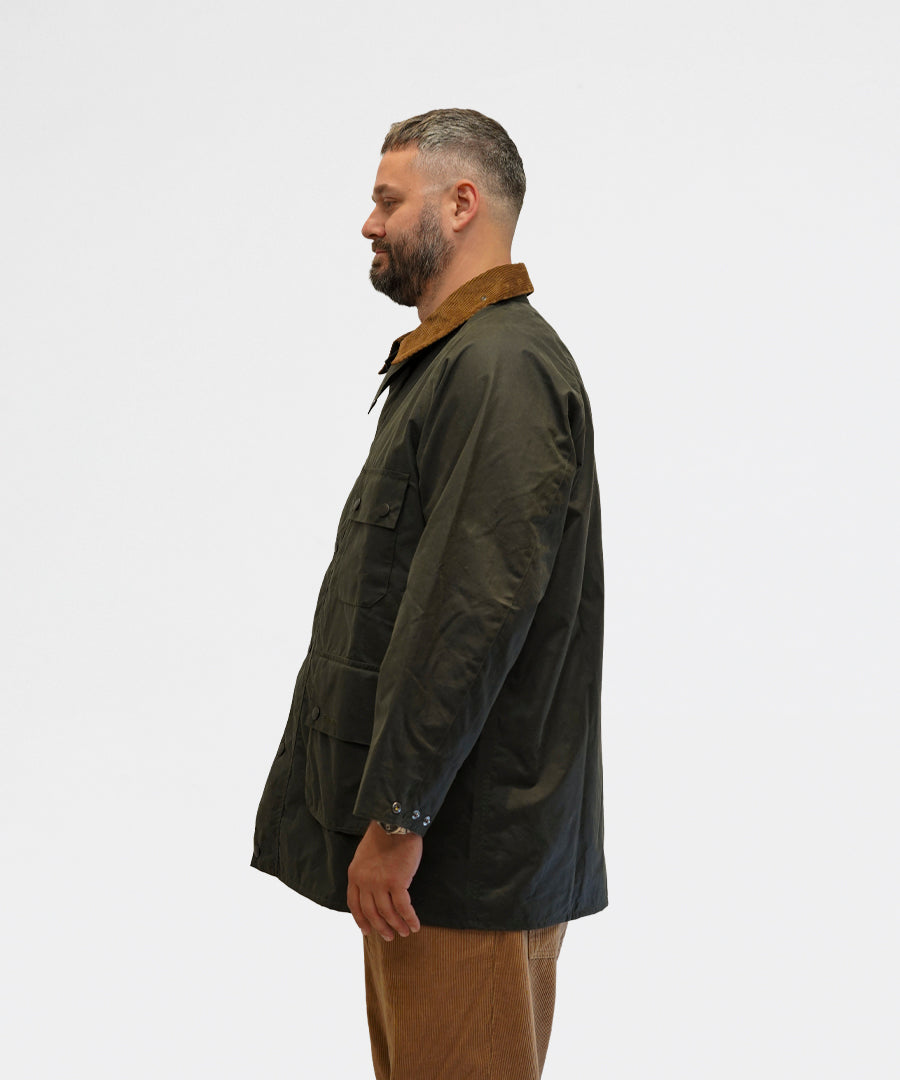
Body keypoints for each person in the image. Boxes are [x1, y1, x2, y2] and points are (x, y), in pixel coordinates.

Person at [251, 108, 607, 1079]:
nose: (368, 223)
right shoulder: (461, 361)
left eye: (388, 199)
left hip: (458, 865)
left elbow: (467, 615)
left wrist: (399, 818)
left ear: (461, 204)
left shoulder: (499, 368)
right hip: (442, 863)